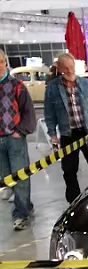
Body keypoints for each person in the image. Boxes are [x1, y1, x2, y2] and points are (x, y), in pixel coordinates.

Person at [44, 52, 88, 204]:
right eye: (66, 68)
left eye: (72, 67)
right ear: (59, 69)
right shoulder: (52, 88)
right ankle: (74, 203)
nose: (70, 71)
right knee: (69, 171)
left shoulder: (86, 84)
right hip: (68, 134)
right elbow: (49, 113)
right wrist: (52, 134)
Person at [0, 49, 36, 230]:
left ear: (5, 63)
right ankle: (25, 204)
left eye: (0, 62)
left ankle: (21, 214)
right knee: (7, 179)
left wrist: (20, 131)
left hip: (15, 139)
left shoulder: (17, 86)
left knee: (20, 176)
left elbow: (28, 112)